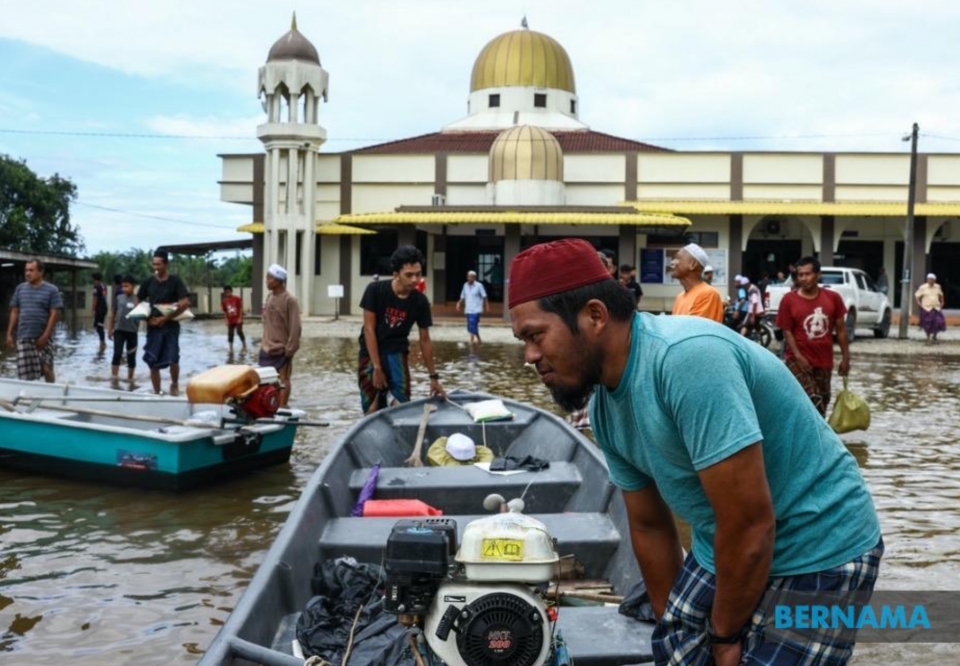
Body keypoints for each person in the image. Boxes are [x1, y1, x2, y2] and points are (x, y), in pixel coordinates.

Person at [508, 238, 882, 666]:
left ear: (594, 315)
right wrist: (678, 634)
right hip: (721, 540)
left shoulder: (686, 361)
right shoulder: (607, 408)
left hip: (819, 546)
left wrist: (724, 637)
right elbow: (650, 528)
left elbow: (750, 524)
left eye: (536, 336)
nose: (530, 355)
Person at [358, 245, 445, 414]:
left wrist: (433, 377)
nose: (415, 280)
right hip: (370, 352)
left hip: (397, 352)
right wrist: (377, 368)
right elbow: (369, 329)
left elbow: (425, 339)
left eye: (418, 274)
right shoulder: (375, 290)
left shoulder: (420, 302)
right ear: (396, 274)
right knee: (371, 406)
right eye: (409, 275)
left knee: (402, 406)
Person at [776, 256, 850, 416]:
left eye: (807, 274)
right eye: (800, 275)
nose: (804, 278)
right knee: (813, 399)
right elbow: (787, 331)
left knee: (822, 402)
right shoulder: (789, 300)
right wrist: (798, 356)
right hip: (796, 360)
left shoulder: (833, 298)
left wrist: (846, 359)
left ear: (818, 275)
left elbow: (841, 330)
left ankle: (815, 438)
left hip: (824, 362)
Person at [137, 250, 190, 396]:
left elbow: (185, 303)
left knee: (173, 357)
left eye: (159, 264)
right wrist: (146, 317)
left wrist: (166, 318)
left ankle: (174, 384)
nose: (156, 267)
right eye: (154, 264)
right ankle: (157, 391)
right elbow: (138, 300)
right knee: (152, 359)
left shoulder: (175, 281)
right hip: (153, 327)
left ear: (167, 264)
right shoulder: (148, 282)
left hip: (170, 326)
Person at [6, 259, 63, 382]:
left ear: (40, 272)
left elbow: (55, 314)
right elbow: (15, 311)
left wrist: (45, 336)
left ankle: (52, 392)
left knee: (46, 368)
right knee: (25, 373)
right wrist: (9, 333)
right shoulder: (20, 289)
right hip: (23, 336)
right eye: (26, 270)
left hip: (43, 336)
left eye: (31, 270)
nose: (27, 273)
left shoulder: (51, 290)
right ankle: (28, 396)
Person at [260, 264, 301, 407]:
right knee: (266, 380)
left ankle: (282, 407)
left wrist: (289, 350)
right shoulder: (269, 297)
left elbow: (295, 328)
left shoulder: (290, 300)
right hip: (266, 347)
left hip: (282, 349)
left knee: (284, 379)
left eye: (269, 278)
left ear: (278, 280)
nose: (266, 281)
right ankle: (271, 406)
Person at [669, 243, 723, 322]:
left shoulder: (708, 294)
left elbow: (694, 330)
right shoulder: (679, 297)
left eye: (678, 258)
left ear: (692, 264)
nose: (672, 263)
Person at [108, 275, 139, 382]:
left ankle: (130, 379)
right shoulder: (118, 298)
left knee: (131, 356)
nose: (124, 289)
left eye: (127, 286)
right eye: (123, 286)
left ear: (133, 286)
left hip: (132, 331)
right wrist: (110, 328)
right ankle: (114, 378)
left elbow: (144, 314)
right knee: (117, 353)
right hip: (119, 330)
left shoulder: (138, 299)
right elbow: (113, 313)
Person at [456, 270, 489, 345]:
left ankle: (471, 340)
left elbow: (484, 296)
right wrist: (459, 303)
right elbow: (462, 296)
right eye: (468, 277)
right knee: (471, 325)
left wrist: (486, 305)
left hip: (476, 309)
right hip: (468, 309)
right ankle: (479, 340)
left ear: (474, 278)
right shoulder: (465, 285)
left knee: (472, 323)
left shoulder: (479, 286)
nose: (469, 278)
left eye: (470, 277)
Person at [915, 273, 946, 344]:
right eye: (929, 279)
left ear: (935, 280)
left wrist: (942, 302)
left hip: (936, 307)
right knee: (927, 324)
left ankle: (934, 336)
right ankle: (928, 339)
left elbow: (941, 295)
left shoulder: (938, 287)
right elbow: (917, 296)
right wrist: (918, 303)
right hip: (926, 308)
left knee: (939, 322)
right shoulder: (923, 287)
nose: (931, 281)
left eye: (932, 279)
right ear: (927, 280)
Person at [91, 272, 108, 353]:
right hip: (104, 307)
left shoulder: (96, 286)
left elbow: (95, 298)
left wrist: (93, 309)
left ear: (94, 279)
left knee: (99, 326)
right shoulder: (104, 286)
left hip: (99, 309)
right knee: (99, 325)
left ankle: (102, 343)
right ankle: (102, 342)